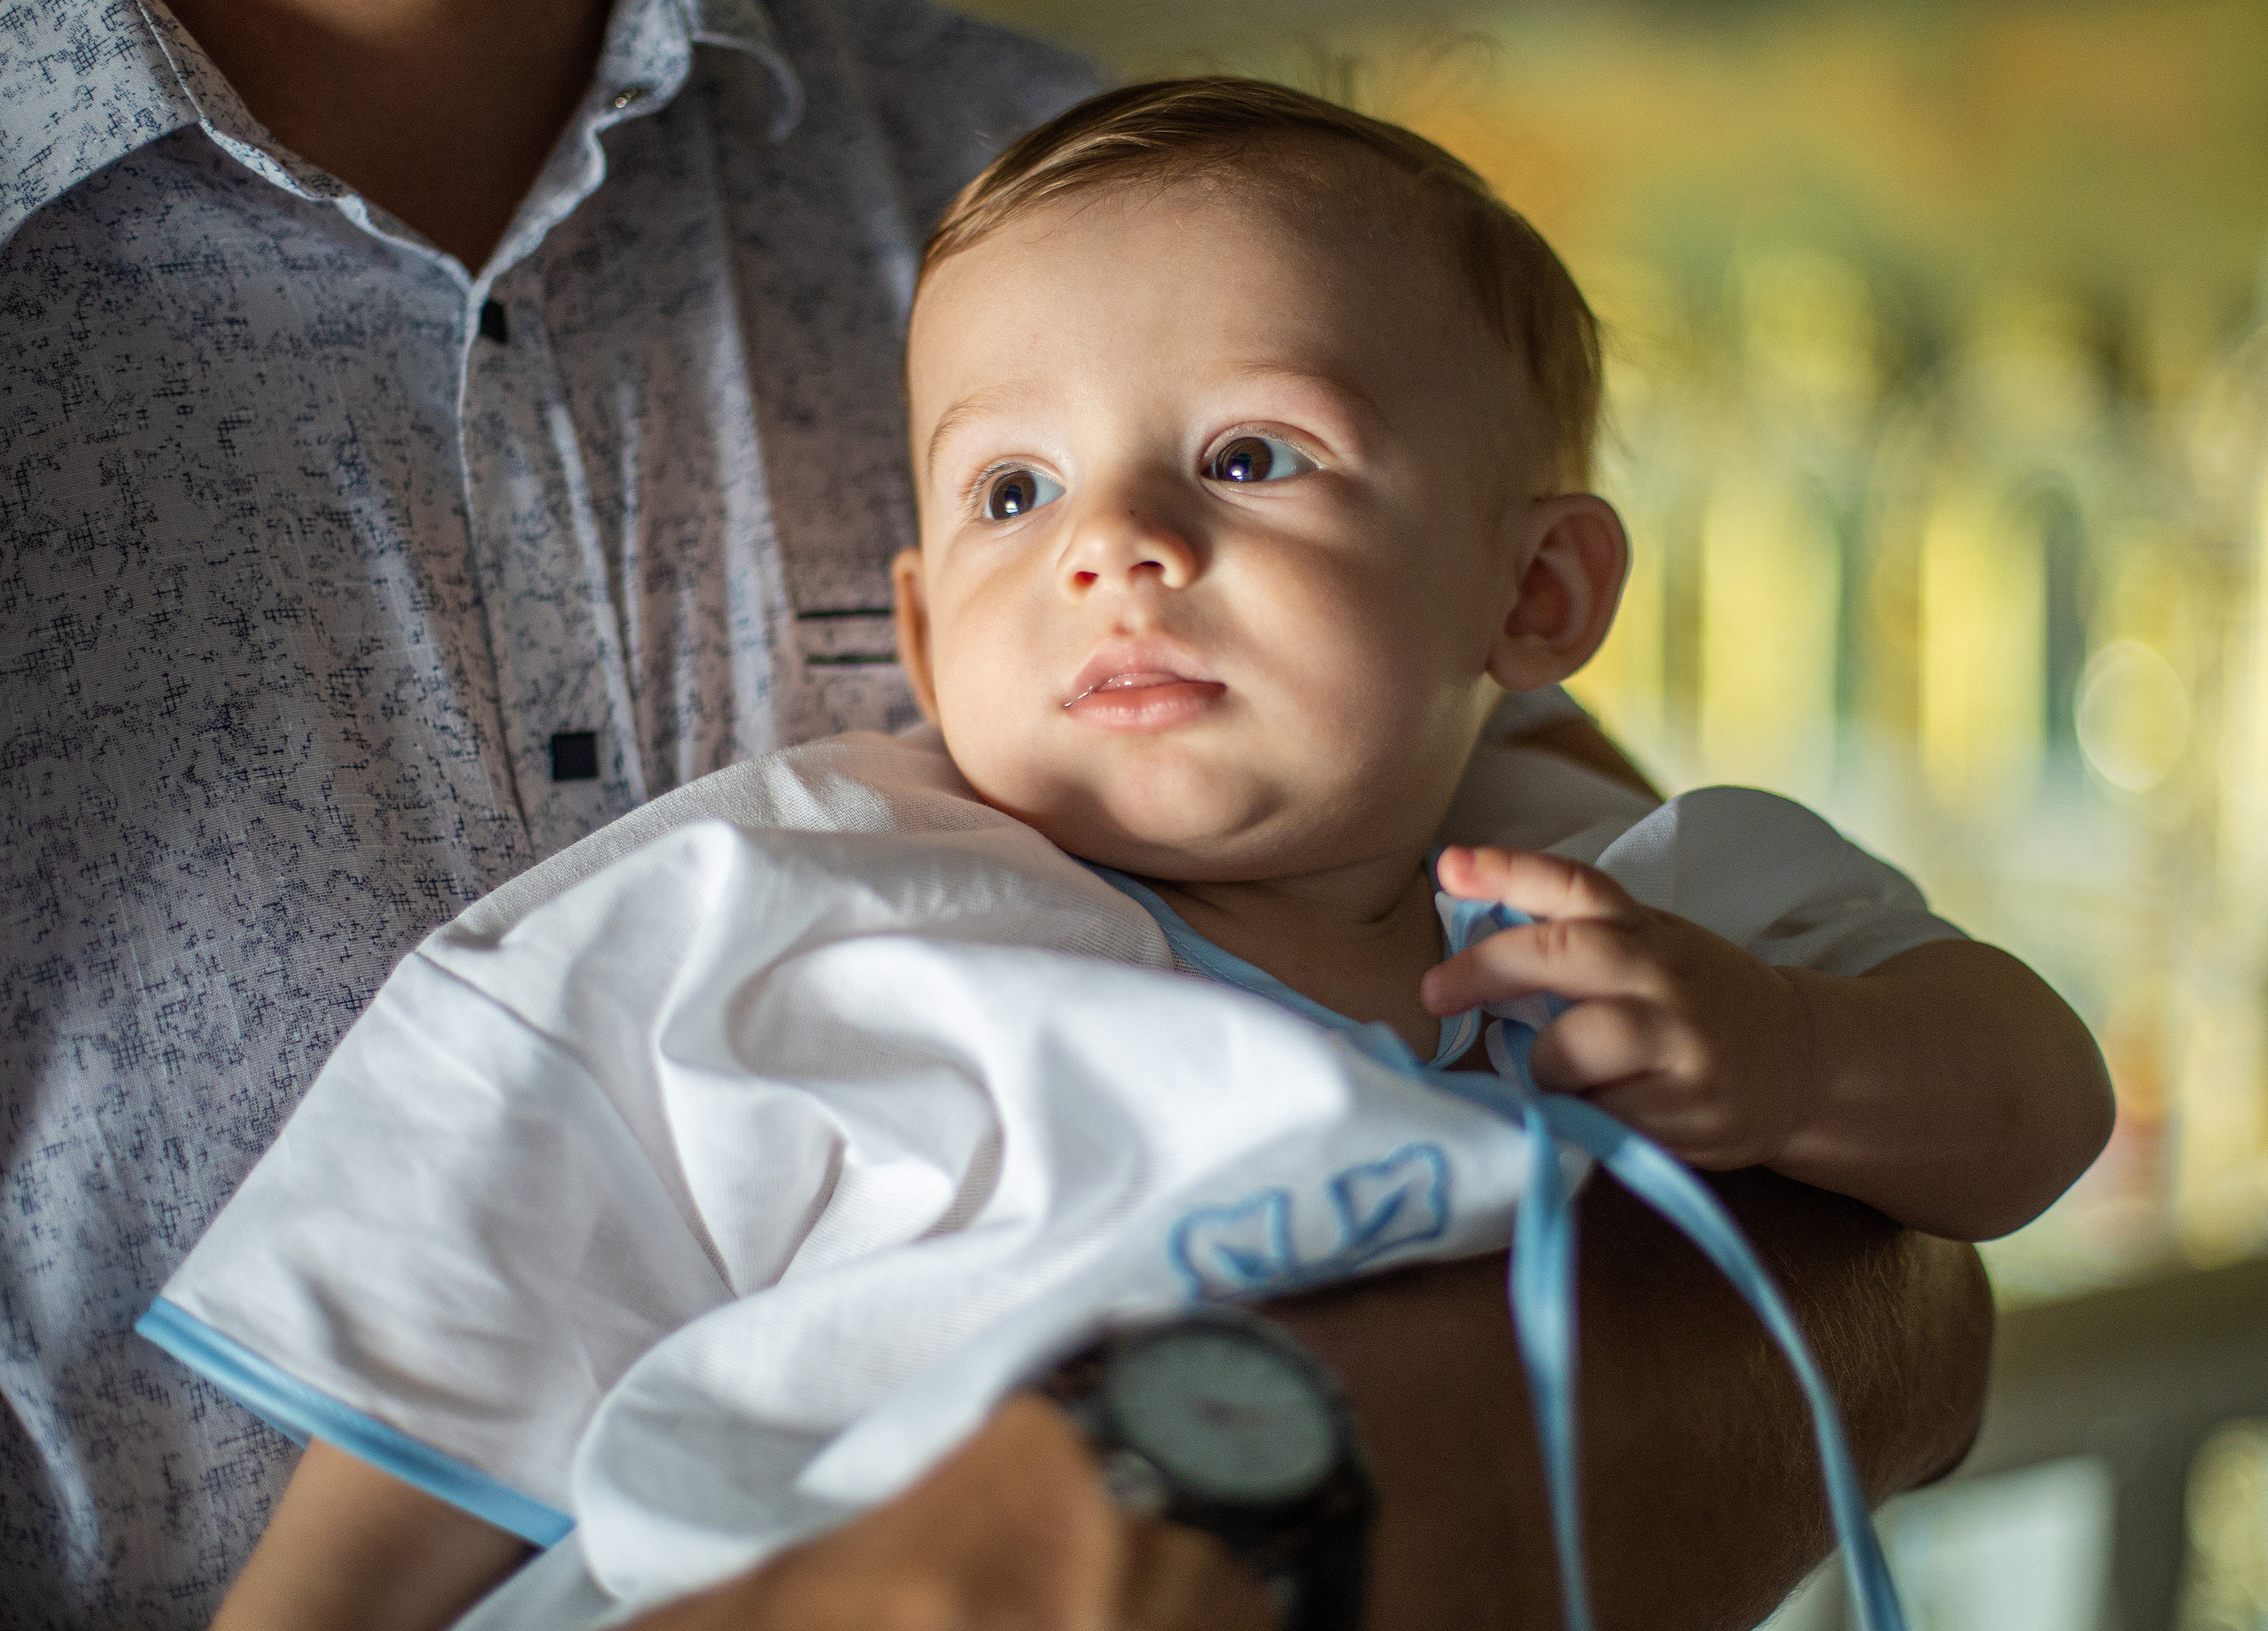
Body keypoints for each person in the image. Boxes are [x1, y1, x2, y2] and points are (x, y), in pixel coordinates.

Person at [0, 3, 1996, 1627]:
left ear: (1538, 597)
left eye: (1249, 455)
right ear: (921, 633)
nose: (1117, 541)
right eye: (1012, 497)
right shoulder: (783, 922)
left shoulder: (1062, 173)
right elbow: (450, 1359)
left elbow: (1974, 1173)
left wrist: (1796, 1057)